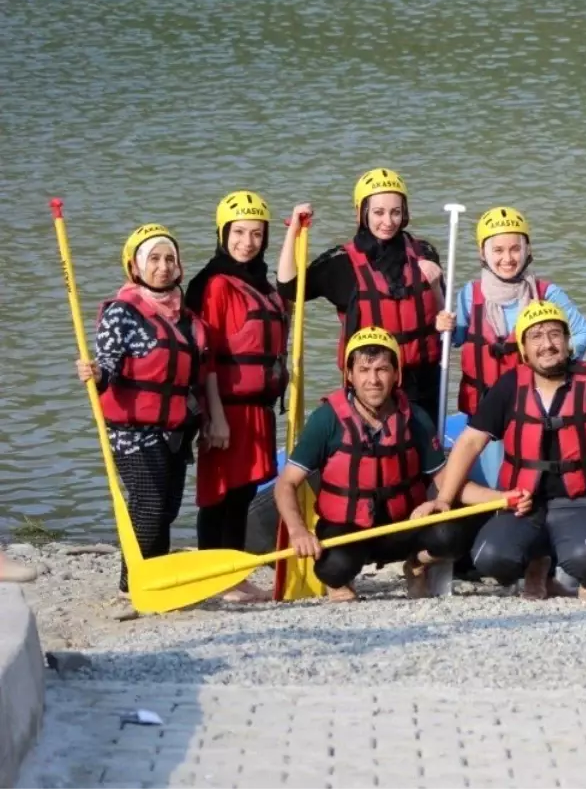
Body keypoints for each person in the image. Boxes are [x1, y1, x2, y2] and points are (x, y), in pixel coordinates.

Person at [273, 327, 525, 602]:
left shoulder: (415, 419)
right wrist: (298, 530)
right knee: (333, 567)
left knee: (451, 534)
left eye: (382, 369)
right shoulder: (326, 420)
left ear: (396, 374)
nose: (373, 380)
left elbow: (448, 483)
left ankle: (415, 565)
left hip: (402, 526)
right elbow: (286, 484)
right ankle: (341, 583)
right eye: (364, 370)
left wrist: (501, 498)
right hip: (348, 529)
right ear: (349, 375)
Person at [431, 301, 586, 601]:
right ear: (523, 348)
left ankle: (584, 579)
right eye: (536, 336)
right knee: (490, 557)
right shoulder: (509, 386)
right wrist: (444, 499)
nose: (547, 344)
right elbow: (470, 442)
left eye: (554, 334)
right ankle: (538, 564)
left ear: (567, 341)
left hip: (580, 502)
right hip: (524, 504)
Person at [75, 225, 208, 616]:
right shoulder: (123, 313)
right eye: (153, 259)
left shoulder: (187, 318)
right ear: (135, 266)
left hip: (175, 431)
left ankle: (156, 580)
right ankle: (129, 587)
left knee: (165, 509)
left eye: (170, 259)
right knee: (147, 505)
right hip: (132, 431)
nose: (163, 267)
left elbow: (196, 378)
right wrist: (95, 373)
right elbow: (109, 370)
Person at [435, 205, 586, 483]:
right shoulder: (469, 295)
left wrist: (554, 361)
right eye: (498, 250)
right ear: (482, 254)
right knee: (494, 480)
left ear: (527, 250)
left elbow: (583, 333)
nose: (507, 258)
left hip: (534, 404)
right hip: (485, 409)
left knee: (530, 476)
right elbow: (453, 340)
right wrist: (442, 327)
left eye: (515, 249)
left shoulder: (547, 293)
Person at [276, 168, 445, 421]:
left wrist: (435, 286)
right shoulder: (342, 264)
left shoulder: (425, 254)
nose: (388, 222)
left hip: (423, 385)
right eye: (378, 212)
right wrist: (294, 230)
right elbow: (289, 287)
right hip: (370, 386)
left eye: (395, 212)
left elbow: (444, 315)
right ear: (362, 213)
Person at [183, 191, 287, 603]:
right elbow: (204, 356)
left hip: (256, 408)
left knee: (243, 493)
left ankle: (234, 571)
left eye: (256, 234)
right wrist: (214, 416)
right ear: (223, 233)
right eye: (239, 232)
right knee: (220, 492)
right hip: (225, 408)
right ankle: (218, 574)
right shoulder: (213, 284)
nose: (247, 242)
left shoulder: (259, 282)